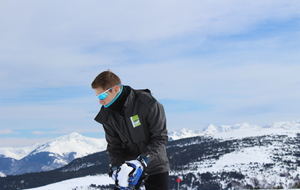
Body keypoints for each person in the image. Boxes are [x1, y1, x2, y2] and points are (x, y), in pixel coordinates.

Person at [91, 70, 170, 190]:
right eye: (98, 96)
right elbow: (114, 146)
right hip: (128, 170)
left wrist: (143, 161)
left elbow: (160, 138)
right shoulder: (107, 116)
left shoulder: (147, 104)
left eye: (102, 96)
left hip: (155, 165)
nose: (100, 101)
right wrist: (116, 168)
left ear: (116, 89)